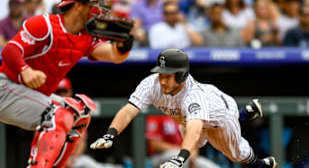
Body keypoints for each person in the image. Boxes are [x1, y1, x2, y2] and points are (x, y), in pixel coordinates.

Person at [0, 0, 133, 168]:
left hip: (34, 96)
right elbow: (10, 50)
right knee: (59, 113)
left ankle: (57, 165)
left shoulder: (86, 36)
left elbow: (114, 55)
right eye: (95, 4)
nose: (99, 10)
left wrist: (124, 45)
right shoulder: (44, 23)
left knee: (81, 112)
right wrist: (26, 70)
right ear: (78, 5)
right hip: (5, 91)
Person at [90, 48, 276, 168]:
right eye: (161, 74)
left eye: (168, 76)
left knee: (236, 155)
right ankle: (245, 113)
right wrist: (110, 134)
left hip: (220, 116)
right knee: (193, 135)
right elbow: (130, 110)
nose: (162, 80)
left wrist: (180, 159)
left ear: (181, 76)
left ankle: (261, 164)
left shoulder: (193, 95)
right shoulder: (151, 83)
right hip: (190, 117)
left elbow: (195, 130)